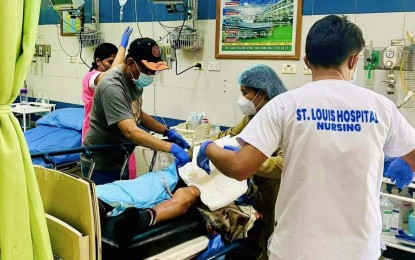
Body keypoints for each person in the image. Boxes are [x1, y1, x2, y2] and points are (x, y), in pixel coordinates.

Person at [196, 15, 415, 260]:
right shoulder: (382, 107)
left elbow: (239, 167)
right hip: (359, 250)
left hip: (296, 249)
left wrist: (208, 148)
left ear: (307, 61)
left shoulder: (284, 105)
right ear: (354, 59)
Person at [111, 65, 287, 254]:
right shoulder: (251, 118)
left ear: (262, 93)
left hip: (264, 185)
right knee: (191, 191)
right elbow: (227, 135)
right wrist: (195, 150)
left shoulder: (284, 120)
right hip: (232, 173)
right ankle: (144, 218)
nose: (242, 99)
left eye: (245, 93)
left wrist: (242, 162)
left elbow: (283, 163)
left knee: (268, 233)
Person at [81, 37, 191, 185]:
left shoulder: (133, 80)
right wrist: (171, 148)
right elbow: (130, 131)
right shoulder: (112, 86)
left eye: (153, 71)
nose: (150, 75)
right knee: (103, 206)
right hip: (100, 163)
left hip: (120, 158)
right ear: (131, 63)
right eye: (147, 70)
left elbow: (137, 113)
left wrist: (167, 131)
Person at [81, 26, 133, 141]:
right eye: (110, 62)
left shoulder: (114, 80)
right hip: (95, 133)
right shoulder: (90, 78)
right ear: (98, 61)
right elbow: (113, 73)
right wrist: (122, 47)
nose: (113, 65)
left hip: (114, 130)